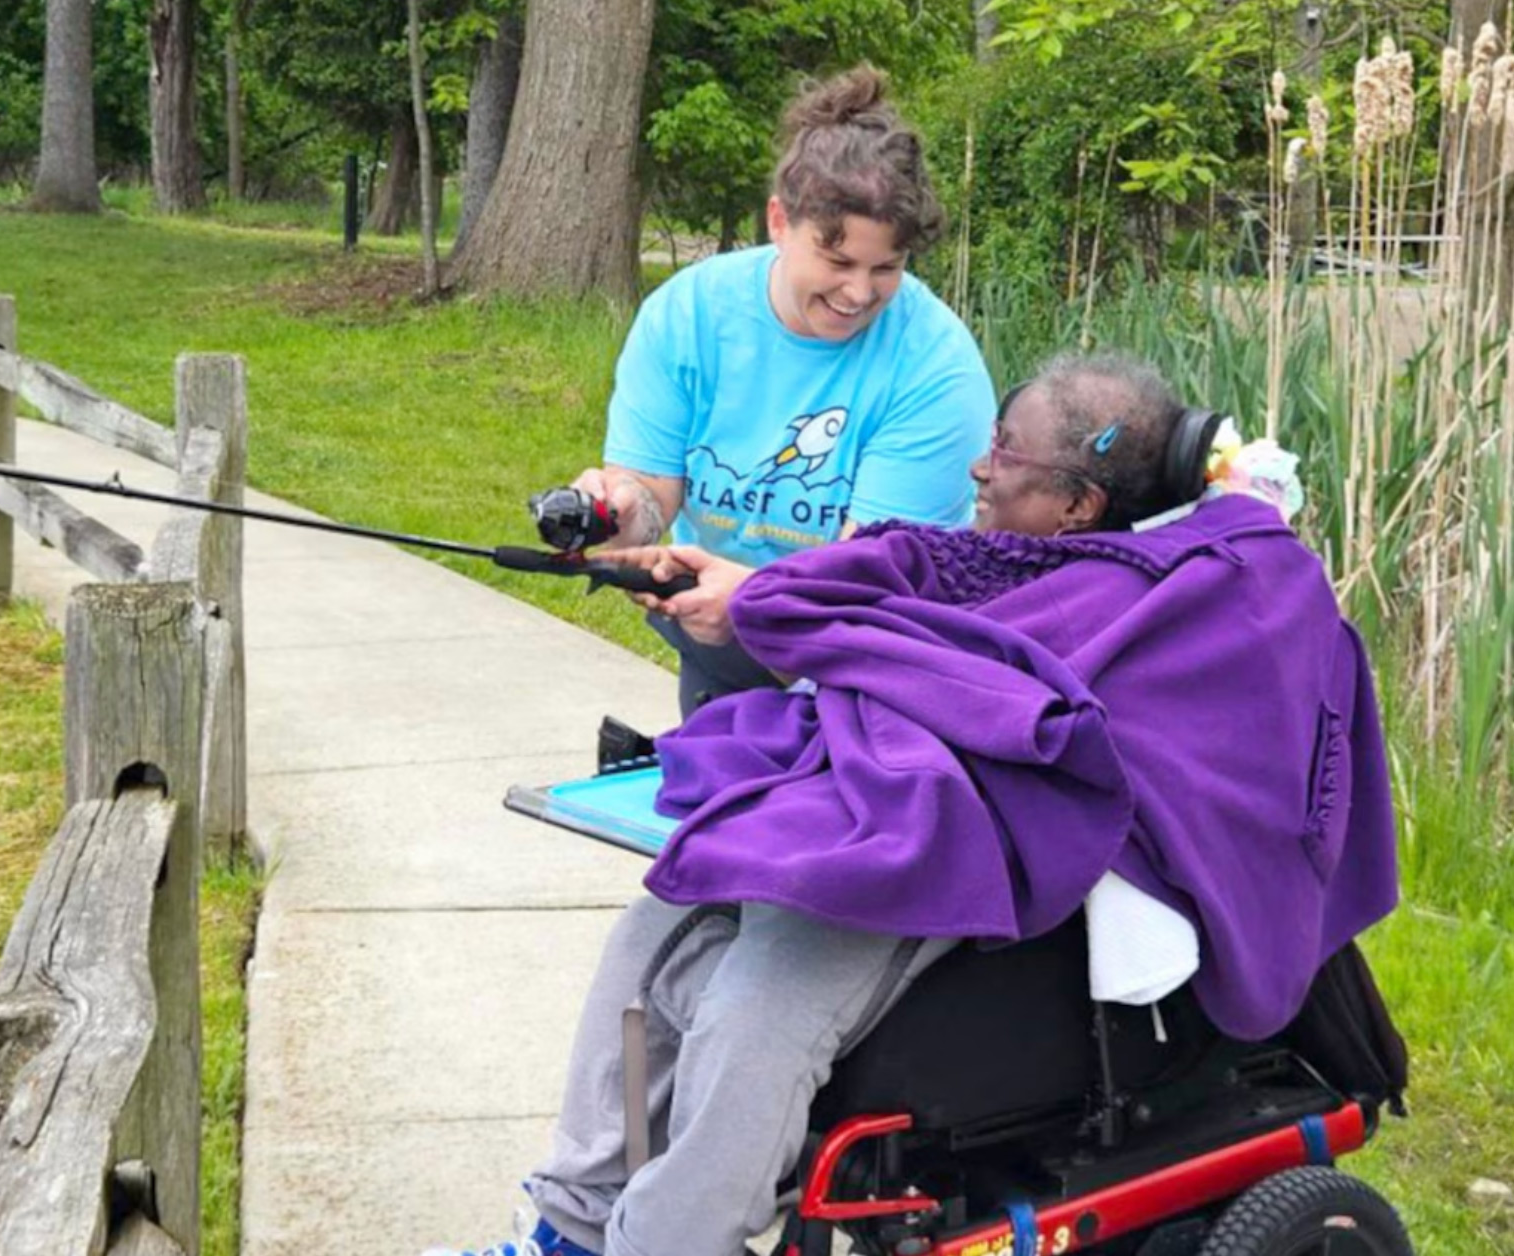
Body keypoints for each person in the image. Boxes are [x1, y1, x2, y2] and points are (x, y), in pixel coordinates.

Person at [436, 354, 1398, 1256]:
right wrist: (755, 595)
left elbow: (1003, 696)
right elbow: (900, 603)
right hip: (882, 793)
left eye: (1006, 455)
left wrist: (793, 624)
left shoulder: (1144, 596)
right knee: (656, 931)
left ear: (1076, 503)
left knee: (756, 998)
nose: (980, 466)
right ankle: (571, 1220)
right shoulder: (1010, 557)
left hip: (983, 838)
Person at [570, 66, 995, 716]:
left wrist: (753, 603)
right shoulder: (689, 314)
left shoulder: (938, 367)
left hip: (884, 672)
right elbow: (653, 499)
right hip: (722, 639)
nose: (859, 293)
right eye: (838, 261)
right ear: (778, 220)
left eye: (887, 268)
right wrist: (623, 511)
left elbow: (871, 585)